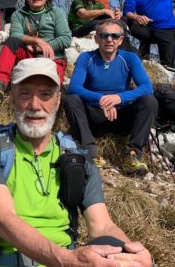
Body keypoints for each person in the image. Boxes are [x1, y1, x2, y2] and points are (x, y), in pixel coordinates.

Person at [0, 57, 153, 266]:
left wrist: (131, 254)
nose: (35, 105)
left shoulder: (78, 158)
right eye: (25, 93)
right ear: (12, 97)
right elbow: (5, 221)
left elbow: (102, 226)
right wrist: (67, 259)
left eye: (45, 95)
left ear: (58, 100)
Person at [64, 20, 156, 176]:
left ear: (120, 40)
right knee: (71, 99)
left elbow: (147, 87)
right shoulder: (86, 58)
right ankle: (90, 152)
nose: (109, 39)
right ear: (96, 39)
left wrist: (119, 98)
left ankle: (132, 155)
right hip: (93, 116)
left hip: (120, 116)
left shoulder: (130, 58)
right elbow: (74, 87)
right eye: (104, 35)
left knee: (149, 101)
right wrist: (102, 100)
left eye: (114, 36)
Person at [0, 0, 71, 94]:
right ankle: (0, 83)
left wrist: (45, 45)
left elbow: (65, 38)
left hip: (52, 57)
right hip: (28, 55)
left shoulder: (56, 12)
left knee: (48, 90)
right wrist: (37, 41)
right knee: (11, 41)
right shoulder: (18, 14)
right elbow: (15, 34)